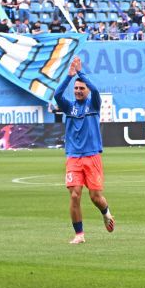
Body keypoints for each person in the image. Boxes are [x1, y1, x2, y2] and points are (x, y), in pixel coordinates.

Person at [53, 57, 115, 244]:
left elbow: (95, 90)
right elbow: (57, 95)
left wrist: (80, 74)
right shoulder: (69, 107)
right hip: (73, 156)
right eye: (76, 88)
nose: (79, 91)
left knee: (96, 197)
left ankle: (106, 213)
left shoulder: (94, 104)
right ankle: (79, 234)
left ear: (86, 90)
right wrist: (69, 76)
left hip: (92, 157)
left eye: (82, 88)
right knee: (74, 195)